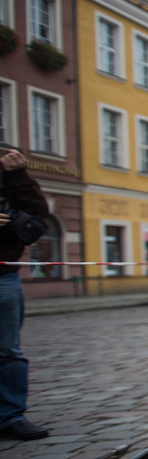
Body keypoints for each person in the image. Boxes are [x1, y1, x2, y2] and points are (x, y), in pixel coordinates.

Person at [0, 149, 49, 441]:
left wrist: (18, 174)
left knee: (8, 352)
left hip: (4, 275)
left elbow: (37, 213)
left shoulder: (10, 171)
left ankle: (10, 416)